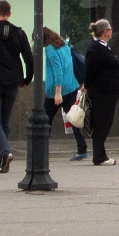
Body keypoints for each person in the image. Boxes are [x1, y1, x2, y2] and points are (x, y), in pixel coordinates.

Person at [0, 0, 32, 174]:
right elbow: (29, 58)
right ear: (10, 13)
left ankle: (5, 152)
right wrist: (27, 79)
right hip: (12, 83)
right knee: (4, 121)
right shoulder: (19, 33)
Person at [84, 19, 119, 166]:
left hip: (107, 92)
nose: (112, 30)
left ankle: (100, 155)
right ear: (105, 32)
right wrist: (86, 85)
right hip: (102, 93)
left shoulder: (103, 47)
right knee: (102, 123)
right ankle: (99, 156)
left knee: (104, 123)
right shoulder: (96, 48)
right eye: (110, 28)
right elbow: (89, 69)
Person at [43, 27, 87, 161]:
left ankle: (40, 150)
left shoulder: (50, 50)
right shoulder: (64, 45)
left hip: (56, 91)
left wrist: (57, 93)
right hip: (71, 86)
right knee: (73, 118)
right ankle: (82, 149)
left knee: (45, 120)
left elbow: (58, 71)